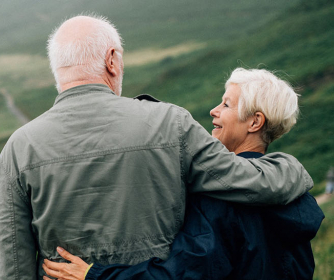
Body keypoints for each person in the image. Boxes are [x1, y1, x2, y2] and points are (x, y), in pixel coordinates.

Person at [0, 15, 314, 279]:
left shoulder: (18, 149)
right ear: (112, 60)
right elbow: (247, 181)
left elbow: (14, 267)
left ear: (56, 69)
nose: (216, 111)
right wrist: (292, 168)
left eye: (226, 104)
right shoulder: (171, 124)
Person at [41, 68, 324, 280]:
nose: (214, 110)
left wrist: (93, 275)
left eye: (226, 104)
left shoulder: (220, 198)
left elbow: (181, 274)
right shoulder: (297, 196)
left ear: (255, 122)